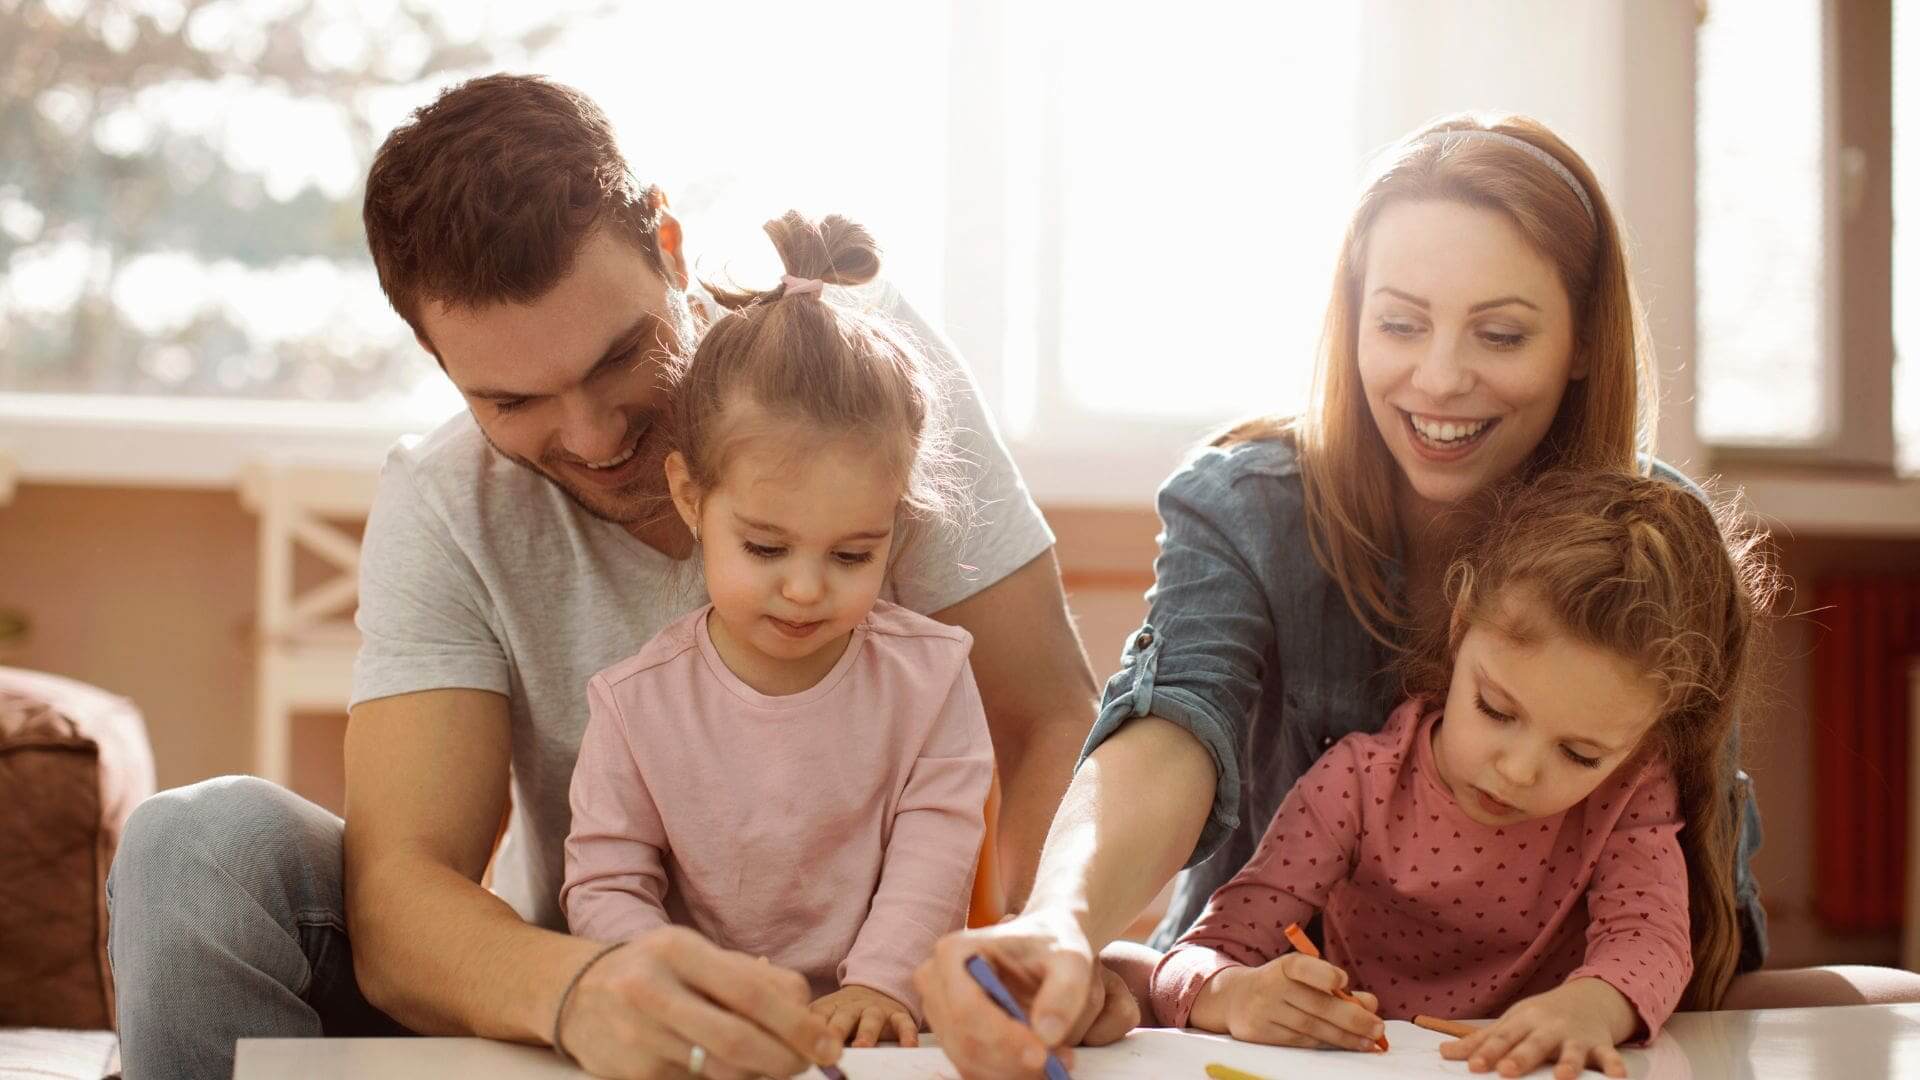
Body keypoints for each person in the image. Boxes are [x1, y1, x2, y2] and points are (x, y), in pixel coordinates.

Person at [105, 75, 1103, 1080]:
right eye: (512, 399)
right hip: (575, 1020)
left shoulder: (854, 372)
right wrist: (580, 991)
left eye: (623, 355)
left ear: (668, 244)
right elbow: (400, 894)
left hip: (882, 1014)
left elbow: (1051, 714)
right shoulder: (446, 501)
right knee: (194, 846)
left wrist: (1026, 959)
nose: (593, 437)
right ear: (435, 358)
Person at [915, 112, 1920, 1080]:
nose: (1440, 379)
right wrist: (1059, 920)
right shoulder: (1251, 505)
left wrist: (1611, 1000)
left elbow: (1681, 917)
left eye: (1501, 334)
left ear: (1580, 342)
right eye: (1399, 323)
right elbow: (1174, 725)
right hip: (1284, 1023)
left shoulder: (1657, 547)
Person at [1159, 469, 1770, 1080]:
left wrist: (1592, 1007)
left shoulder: (1631, 789)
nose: (1518, 770)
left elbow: (1651, 940)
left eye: (1580, 755)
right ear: (1459, 629)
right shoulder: (1356, 785)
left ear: (1645, 738)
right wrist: (1235, 995)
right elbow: (1199, 956)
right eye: (1497, 710)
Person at [560, 211, 995, 1056]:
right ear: (691, 499)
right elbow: (608, 881)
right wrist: (677, 991)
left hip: (883, 1033)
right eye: (766, 547)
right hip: (700, 1040)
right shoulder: (634, 704)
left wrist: (877, 984)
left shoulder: (932, 678)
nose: (804, 588)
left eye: (852, 553)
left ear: (894, 525)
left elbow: (937, 847)